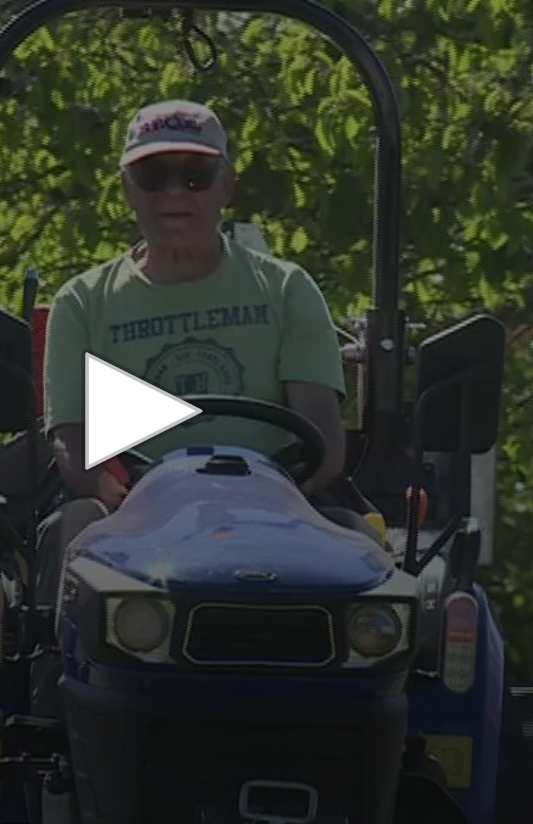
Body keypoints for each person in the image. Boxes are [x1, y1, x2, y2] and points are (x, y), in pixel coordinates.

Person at [28, 99, 382, 717]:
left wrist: (292, 492)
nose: (175, 193)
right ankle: (56, 708)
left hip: (280, 503)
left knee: (365, 547)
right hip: (138, 509)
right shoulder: (83, 303)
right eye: (153, 176)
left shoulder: (285, 288)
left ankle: (376, 724)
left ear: (226, 186)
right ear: (128, 190)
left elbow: (325, 437)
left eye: (194, 176)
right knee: (73, 528)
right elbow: (74, 444)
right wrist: (120, 498)